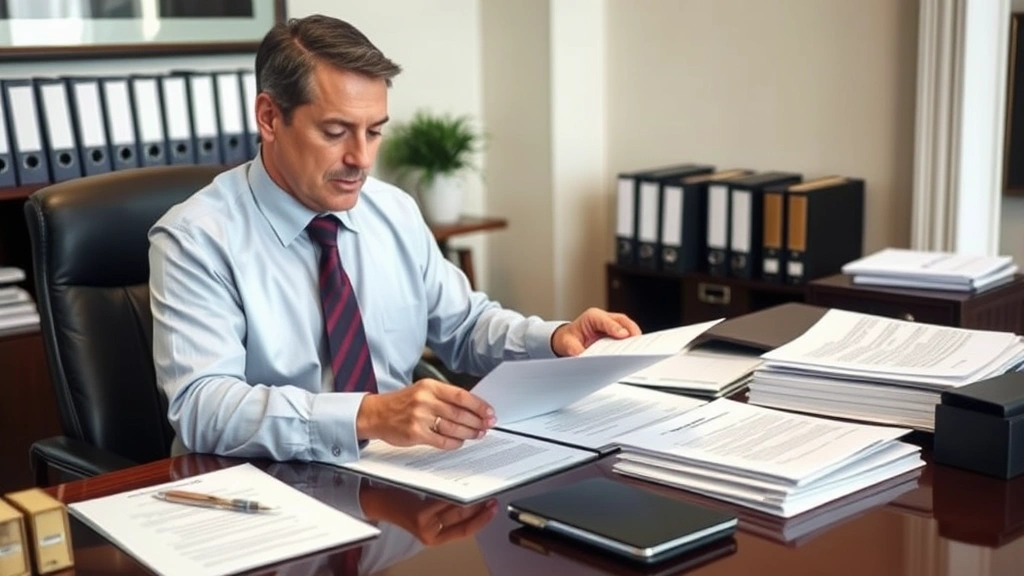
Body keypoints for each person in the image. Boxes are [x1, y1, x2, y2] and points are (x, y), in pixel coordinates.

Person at [149, 13, 641, 465]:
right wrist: (368, 415)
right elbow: (202, 406)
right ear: (270, 117)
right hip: (264, 493)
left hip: (399, 475)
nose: (361, 158)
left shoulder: (392, 210)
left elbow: (466, 327)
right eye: (336, 131)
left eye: (374, 131)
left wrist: (555, 339)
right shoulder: (196, 238)